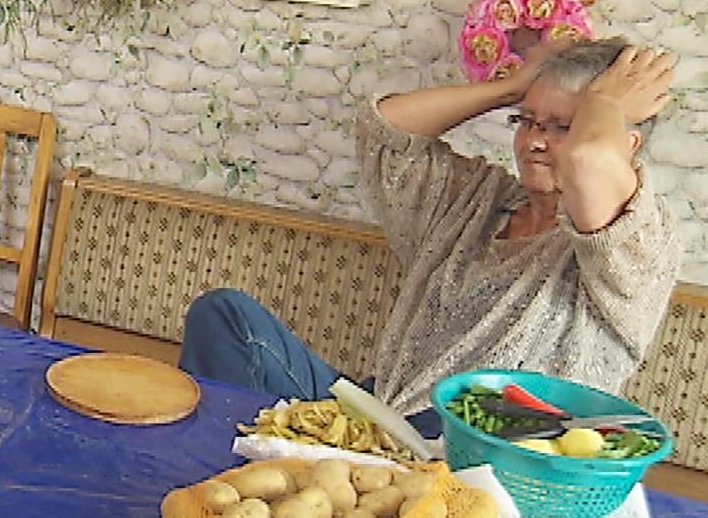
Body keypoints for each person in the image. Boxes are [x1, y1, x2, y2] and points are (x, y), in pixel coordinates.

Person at [178, 40, 680, 429]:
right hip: (381, 420)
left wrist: (606, 101)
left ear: (626, 144)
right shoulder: (481, 200)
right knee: (224, 316)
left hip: (485, 468)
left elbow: (589, 161)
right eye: (526, 121)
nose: (534, 142)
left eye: (562, 126)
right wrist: (511, 85)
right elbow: (385, 128)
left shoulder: (641, 246)